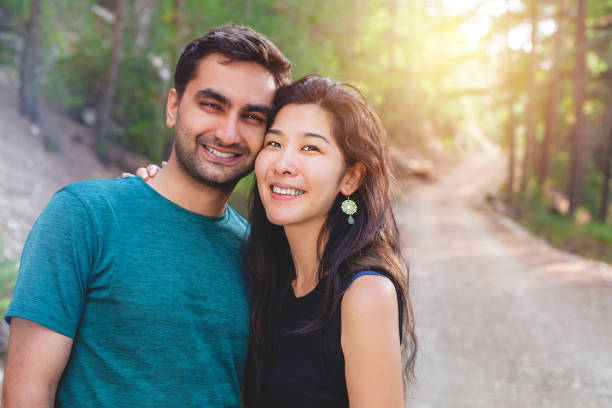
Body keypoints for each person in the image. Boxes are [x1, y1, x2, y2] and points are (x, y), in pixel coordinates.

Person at [2, 24, 291, 408]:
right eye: (212, 105)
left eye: (252, 117)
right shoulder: (84, 217)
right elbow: (26, 392)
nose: (228, 132)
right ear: (174, 107)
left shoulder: (258, 256)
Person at [139, 75, 418, 407]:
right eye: (273, 143)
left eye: (310, 148)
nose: (283, 164)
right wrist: (153, 193)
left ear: (350, 177)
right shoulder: (267, 273)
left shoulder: (365, 293)